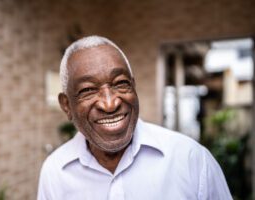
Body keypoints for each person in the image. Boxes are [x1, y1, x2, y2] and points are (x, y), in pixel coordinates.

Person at [37, 36, 232, 200]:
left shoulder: (191, 160)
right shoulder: (55, 171)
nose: (110, 103)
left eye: (120, 83)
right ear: (66, 105)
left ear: (133, 86)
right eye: (88, 90)